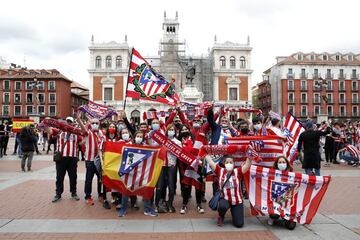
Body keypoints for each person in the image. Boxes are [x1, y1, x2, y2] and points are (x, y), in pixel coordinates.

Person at [204, 154, 251, 227]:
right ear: (224, 163)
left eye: (231, 162)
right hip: (225, 199)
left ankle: (234, 211)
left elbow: (247, 165)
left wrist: (249, 154)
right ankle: (221, 216)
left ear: (234, 164)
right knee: (222, 206)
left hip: (237, 201)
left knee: (239, 224)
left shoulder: (238, 171)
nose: (229, 164)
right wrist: (204, 152)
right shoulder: (220, 170)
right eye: (227, 162)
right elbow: (210, 162)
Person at [46, 116, 82, 203]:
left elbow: (81, 142)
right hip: (61, 158)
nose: (68, 123)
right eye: (67, 121)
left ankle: (73, 193)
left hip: (72, 158)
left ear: (73, 123)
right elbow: (49, 131)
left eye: (70, 122)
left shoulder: (76, 133)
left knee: (73, 177)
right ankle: (58, 193)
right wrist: (46, 124)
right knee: (59, 177)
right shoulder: (59, 131)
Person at [77, 115, 105, 206]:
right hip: (90, 160)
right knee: (89, 179)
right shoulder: (88, 132)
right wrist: (79, 120)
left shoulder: (101, 133)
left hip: (100, 160)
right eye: (93, 123)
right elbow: (82, 129)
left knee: (100, 179)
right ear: (90, 124)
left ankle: (100, 194)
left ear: (99, 124)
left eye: (96, 123)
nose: (95, 124)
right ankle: (88, 196)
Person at [267, 156, 296, 230]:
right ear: (276, 164)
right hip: (276, 202)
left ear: (287, 164)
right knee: (274, 215)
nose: (282, 164)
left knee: (291, 226)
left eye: (283, 162)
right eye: (279, 162)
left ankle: (285, 217)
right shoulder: (272, 174)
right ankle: (272, 217)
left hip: (288, 203)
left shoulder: (293, 175)